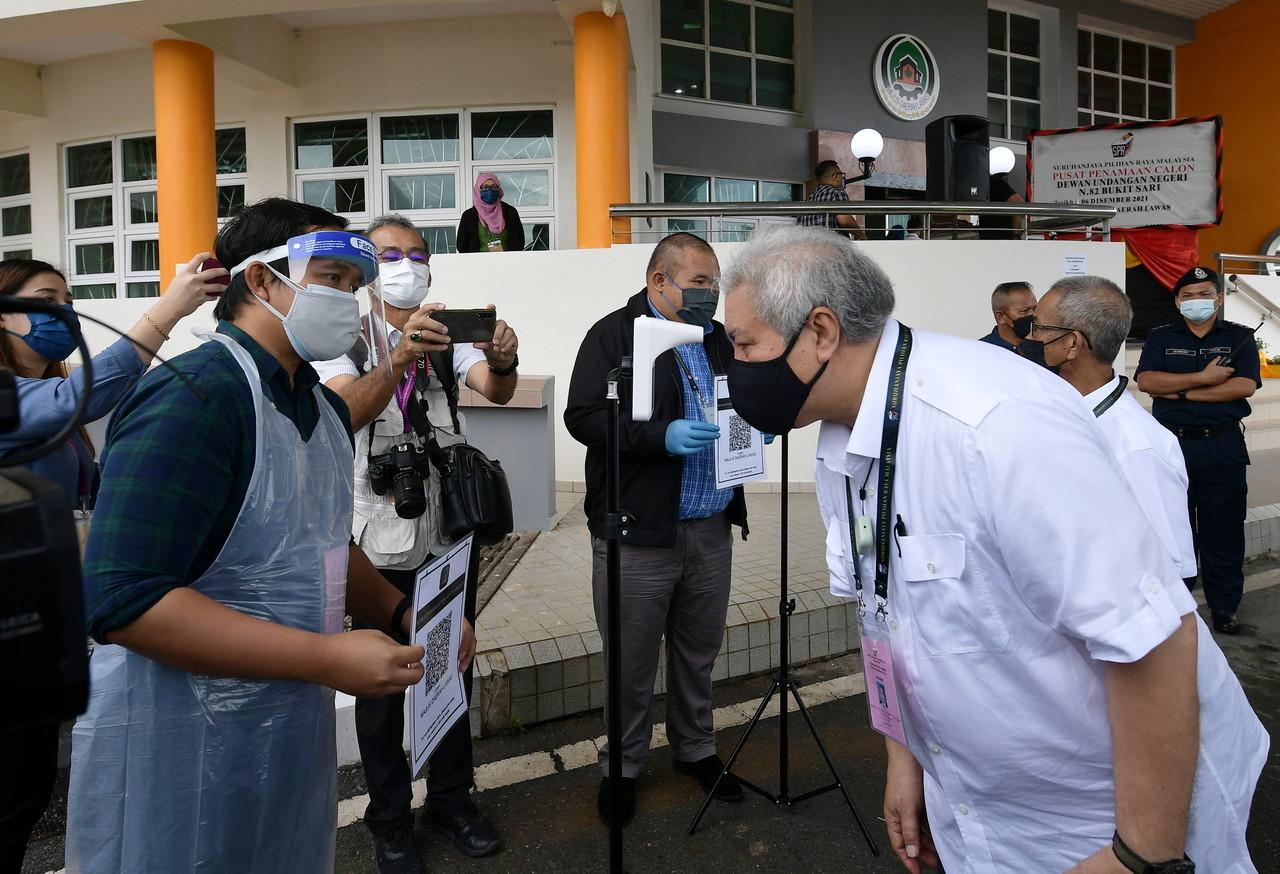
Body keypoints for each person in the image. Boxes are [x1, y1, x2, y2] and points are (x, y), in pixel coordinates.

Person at [721, 225, 1267, 873]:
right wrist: (905, 757)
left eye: (744, 345)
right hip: (979, 814)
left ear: (820, 332)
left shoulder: (996, 422)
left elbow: (1155, 638)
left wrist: (1142, 855)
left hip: (1102, 825)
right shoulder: (847, 446)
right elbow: (880, 614)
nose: (733, 368)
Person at [66, 198, 454, 874]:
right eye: (328, 278)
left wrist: (405, 612)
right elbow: (122, 598)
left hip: (281, 732)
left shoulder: (320, 408)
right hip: (174, 748)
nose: (346, 298)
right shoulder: (195, 397)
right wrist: (327, 659)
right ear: (260, 281)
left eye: (349, 284)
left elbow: (322, 543)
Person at [0, 255, 222, 872]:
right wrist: (170, 307)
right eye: (45, 300)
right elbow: (85, 392)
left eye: (69, 301)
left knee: (27, 789)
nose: (63, 314)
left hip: (49, 627)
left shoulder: (55, 401)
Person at [314, 214, 518, 872]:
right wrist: (397, 357)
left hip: (447, 537)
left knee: (447, 668)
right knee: (380, 689)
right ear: (371, 271)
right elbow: (343, 409)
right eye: (392, 254)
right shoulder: (344, 335)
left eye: (418, 253)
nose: (408, 264)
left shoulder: (447, 328)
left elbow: (495, 388)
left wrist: (503, 356)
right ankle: (390, 819)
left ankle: (452, 802)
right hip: (377, 542)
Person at [565, 232, 750, 827]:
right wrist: (656, 436)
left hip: (709, 527)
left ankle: (696, 749)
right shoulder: (613, 335)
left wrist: (759, 424)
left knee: (699, 653)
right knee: (631, 658)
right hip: (639, 531)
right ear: (658, 283)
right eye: (699, 283)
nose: (711, 294)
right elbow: (584, 416)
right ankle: (622, 765)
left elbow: (739, 397)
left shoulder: (717, 339)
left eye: (714, 283)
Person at [1135, 266, 1261, 635]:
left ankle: (1225, 608)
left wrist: (1181, 392)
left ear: (1219, 298)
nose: (1196, 301)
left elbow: (1243, 386)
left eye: (1204, 294)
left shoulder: (1238, 338)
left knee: (1222, 529)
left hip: (1221, 446)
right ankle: (1179, 605)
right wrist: (1203, 379)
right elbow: (1147, 380)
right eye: (1188, 296)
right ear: (1177, 301)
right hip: (1171, 444)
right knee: (1172, 529)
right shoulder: (1161, 337)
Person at [796, 160, 868, 240]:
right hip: (833, 245)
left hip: (811, 246)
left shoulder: (808, 200)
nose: (842, 178)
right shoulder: (837, 193)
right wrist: (861, 235)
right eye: (841, 174)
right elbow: (845, 221)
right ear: (835, 176)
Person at [456, 173, 525, 253]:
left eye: (494, 187)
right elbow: (461, 246)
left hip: (507, 263)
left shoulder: (510, 212)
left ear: (499, 189)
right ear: (478, 190)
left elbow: (519, 243)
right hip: (477, 264)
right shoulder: (469, 215)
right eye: (485, 187)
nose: (490, 190)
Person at [978, 281, 1036, 351]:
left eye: (1036, 309)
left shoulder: (1043, 350)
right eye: (1025, 311)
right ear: (1001, 317)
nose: (1033, 314)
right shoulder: (981, 350)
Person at [976, 171, 1026, 240]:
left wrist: (1015, 233)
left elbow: (1019, 204)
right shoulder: (989, 183)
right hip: (993, 235)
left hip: (1000, 235)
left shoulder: (993, 182)